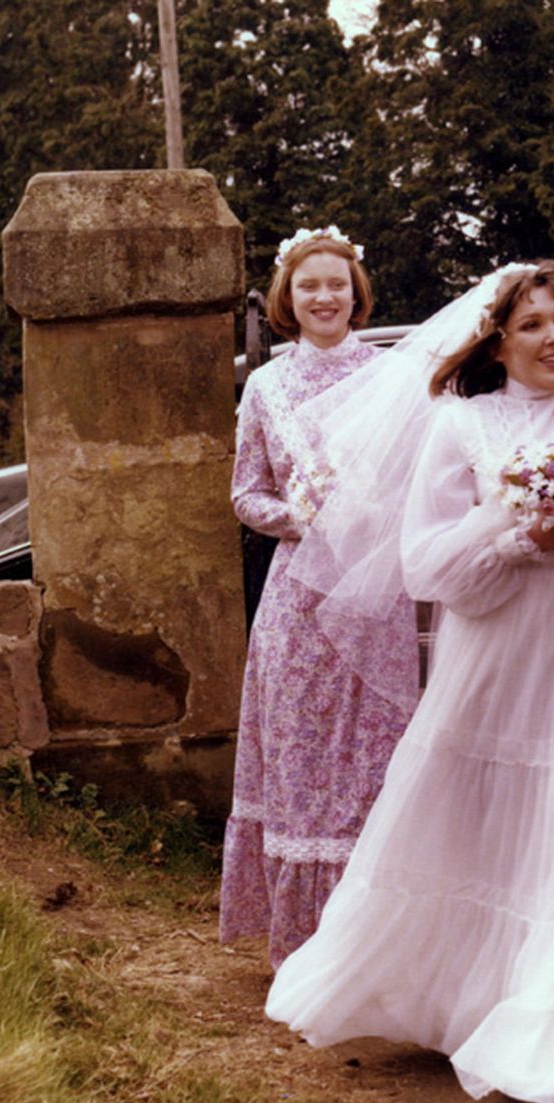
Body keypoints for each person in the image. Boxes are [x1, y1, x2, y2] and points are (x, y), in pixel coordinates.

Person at [267, 261, 554, 1103]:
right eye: (533, 324)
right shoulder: (460, 424)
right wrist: (514, 534)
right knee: (486, 823)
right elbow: (426, 565)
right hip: (496, 653)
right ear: (497, 339)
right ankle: (467, 1001)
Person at [221, 226, 415, 968]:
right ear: (288, 299)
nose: (324, 297)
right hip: (297, 605)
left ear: (356, 293)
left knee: (375, 761)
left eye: (337, 283)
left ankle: (377, 940)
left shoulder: (390, 376)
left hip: (375, 600)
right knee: (303, 766)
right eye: (309, 286)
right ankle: (305, 942)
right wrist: (295, 517)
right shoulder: (265, 384)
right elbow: (245, 492)